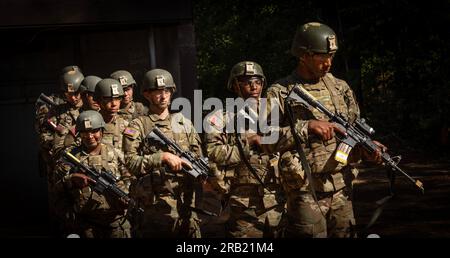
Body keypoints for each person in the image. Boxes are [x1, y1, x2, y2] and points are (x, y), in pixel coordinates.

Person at [265, 22, 386, 238]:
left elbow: (353, 130)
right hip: (305, 191)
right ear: (303, 55)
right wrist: (307, 127)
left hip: (342, 189)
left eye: (332, 56)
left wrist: (368, 148)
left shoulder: (340, 88)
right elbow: (264, 139)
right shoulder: (280, 92)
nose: (328, 63)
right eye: (322, 57)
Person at [204, 61, 285, 238]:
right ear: (234, 86)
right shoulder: (220, 118)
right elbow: (213, 153)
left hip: (278, 199)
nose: (253, 86)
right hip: (243, 204)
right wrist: (249, 143)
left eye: (257, 81)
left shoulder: (276, 114)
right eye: (246, 82)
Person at [123, 68, 203, 238]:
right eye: (158, 91)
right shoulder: (138, 125)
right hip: (155, 210)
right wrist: (163, 157)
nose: (163, 95)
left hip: (187, 205)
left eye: (167, 90)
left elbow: (198, 156)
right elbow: (130, 162)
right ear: (146, 94)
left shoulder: (183, 122)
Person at [54, 110, 131, 238]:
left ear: (102, 131)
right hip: (84, 225)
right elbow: (56, 189)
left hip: (115, 223)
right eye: (85, 132)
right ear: (79, 134)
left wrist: (125, 194)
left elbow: (130, 178)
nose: (90, 136)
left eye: (94, 131)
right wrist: (71, 179)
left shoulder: (116, 153)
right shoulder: (70, 157)